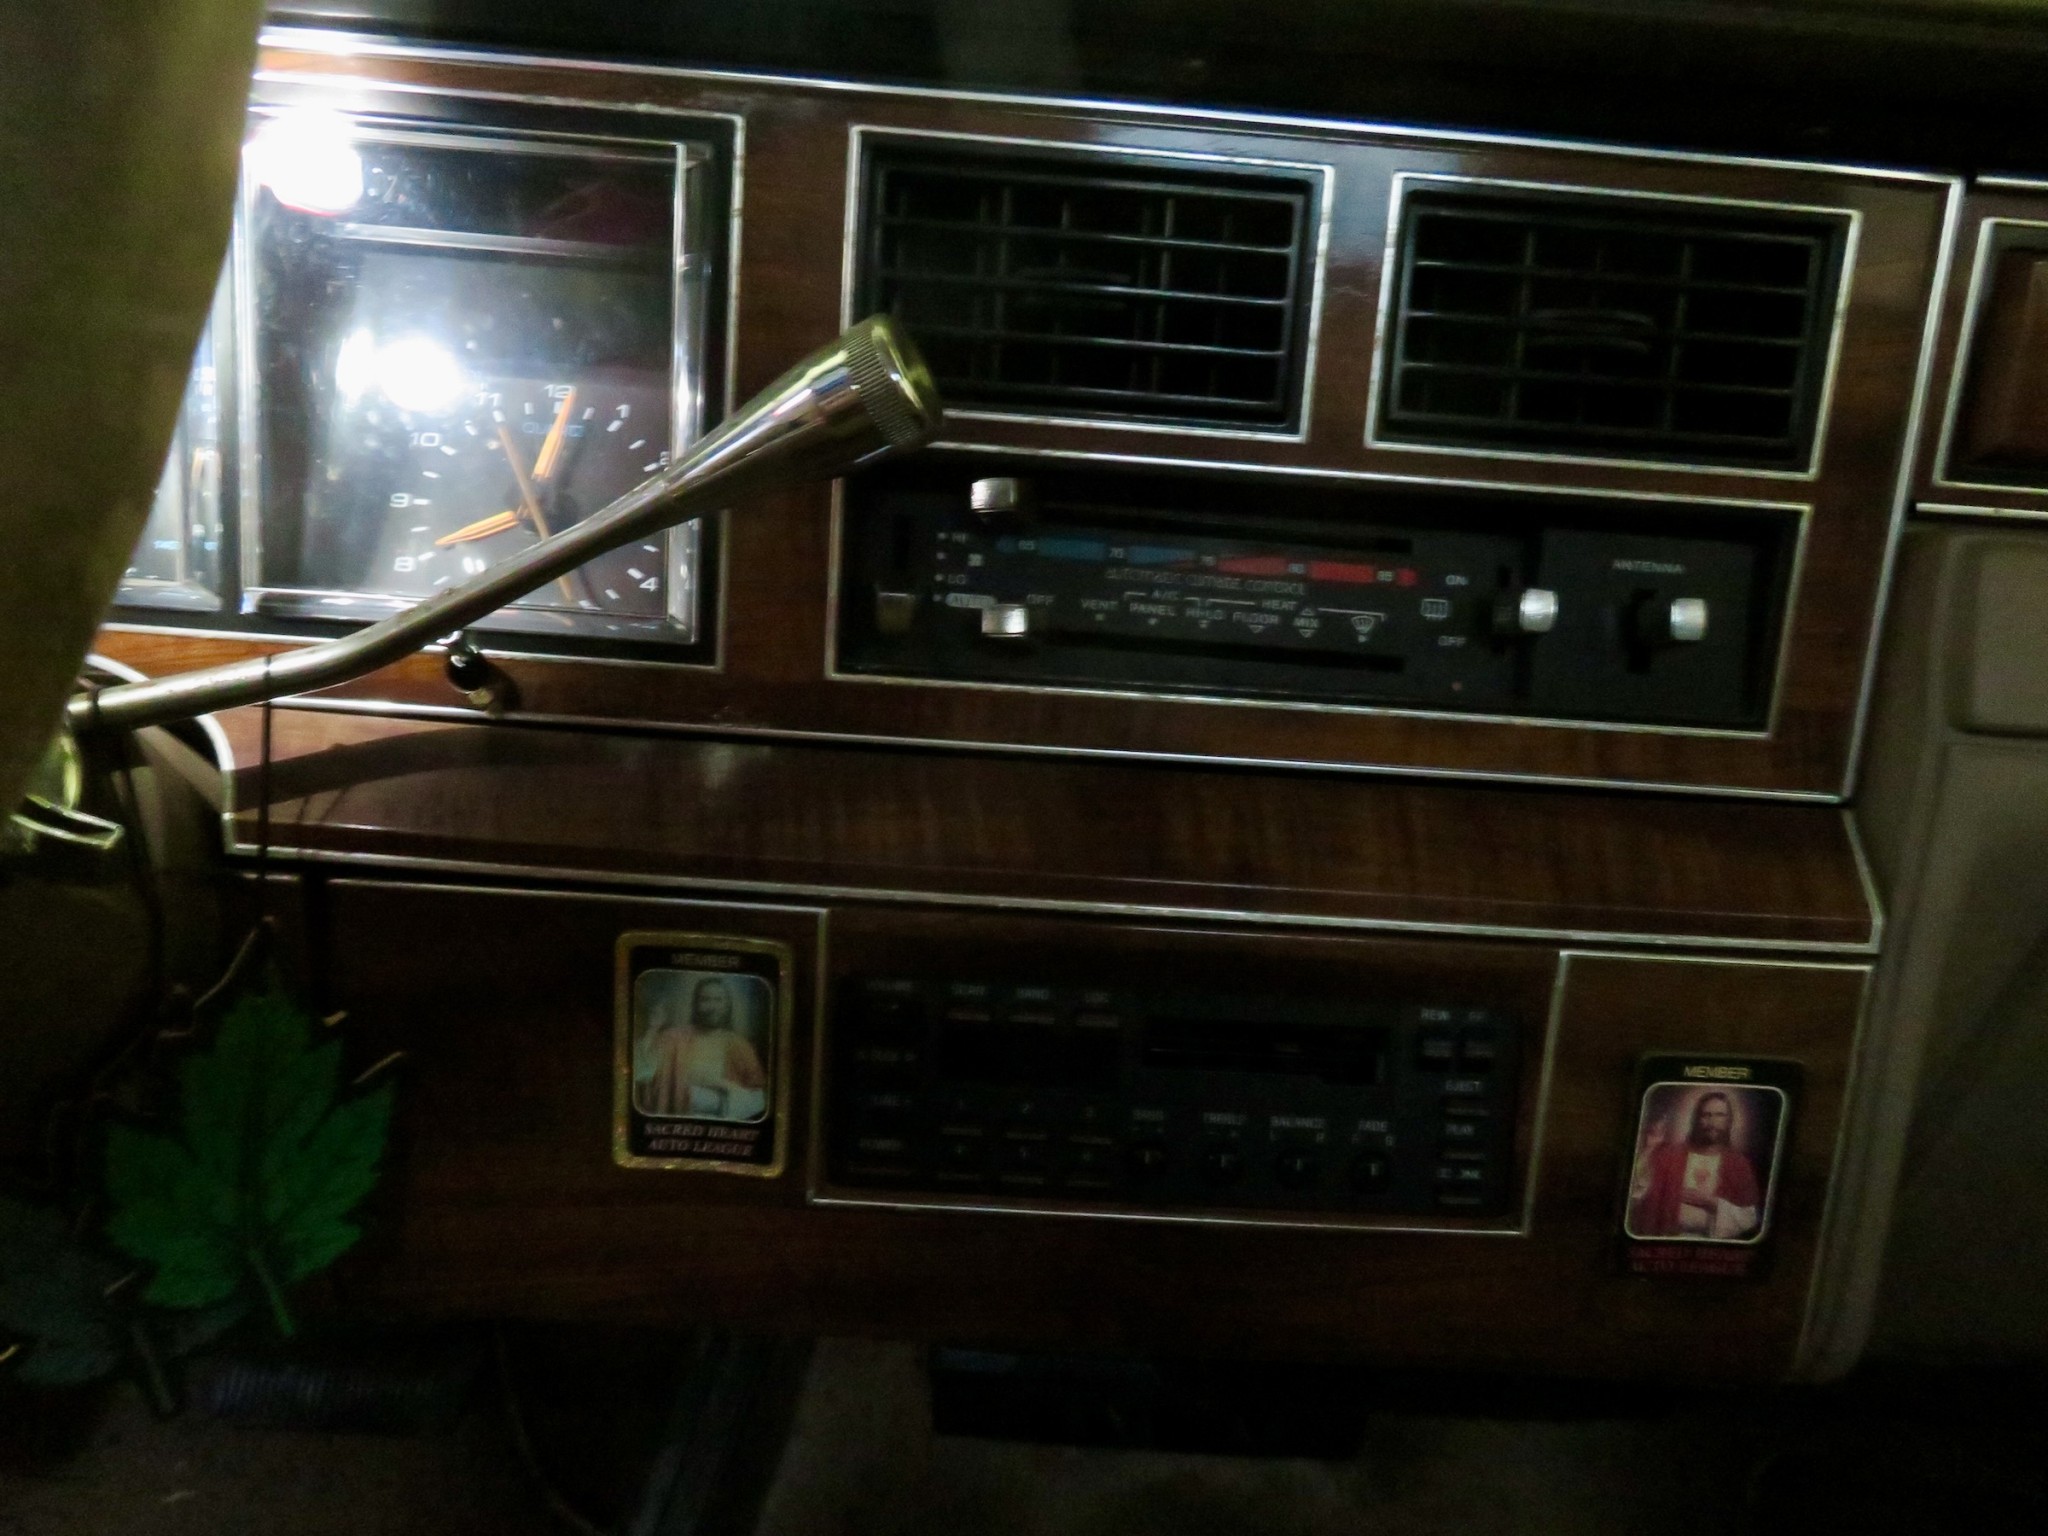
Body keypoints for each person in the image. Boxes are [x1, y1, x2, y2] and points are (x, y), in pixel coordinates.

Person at [1628, 1090, 1762, 1240]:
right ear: (1697, 1119)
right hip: (1668, 1241)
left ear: (1729, 1120)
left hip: (1713, 1248)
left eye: (1720, 1115)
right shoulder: (1671, 1155)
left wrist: (1712, 1203)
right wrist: (1649, 1150)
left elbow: (1750, 1219)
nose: (1712, 1122)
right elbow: (1637, 1194)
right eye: (1706, 1115)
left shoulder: (1739, 1164)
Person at [636, 974, 768, 1122]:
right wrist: (652, 1030)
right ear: (696, 1004)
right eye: (705, 1000)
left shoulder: (739, 1044)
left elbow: (759, 1096)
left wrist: (726, 1086)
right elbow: (643, 1073)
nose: (712, 1007)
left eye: (718, 1000)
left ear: (727, 1005)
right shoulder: (674, 1038)